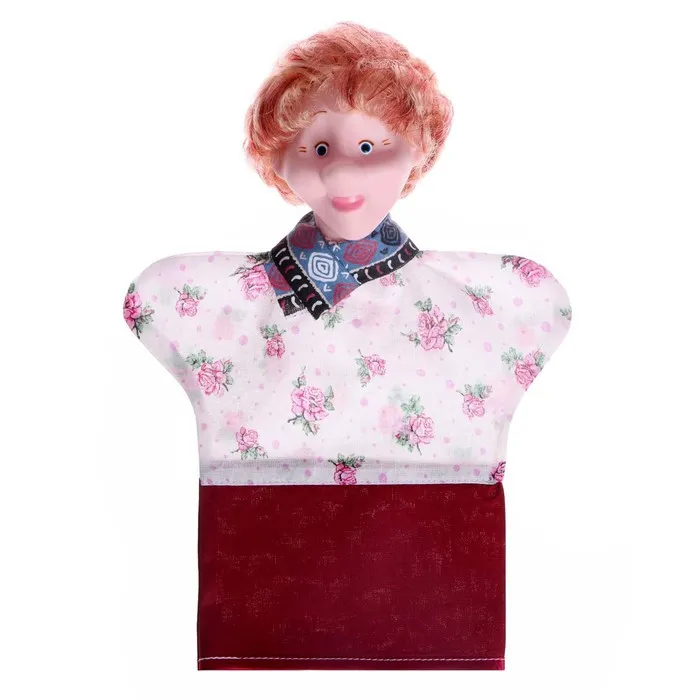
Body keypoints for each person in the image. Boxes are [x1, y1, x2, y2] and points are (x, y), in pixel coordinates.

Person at [124, 20, 572, 671]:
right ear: (277, 157)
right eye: (318, 148)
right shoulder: (206, 299)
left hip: (440, 614)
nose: (343, 170)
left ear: (417, 150)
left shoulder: (496, 301)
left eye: (369, 145)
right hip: (264, 617)